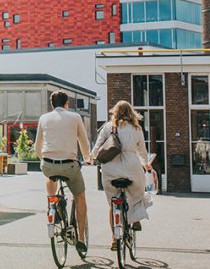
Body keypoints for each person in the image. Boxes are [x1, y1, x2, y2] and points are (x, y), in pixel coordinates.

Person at [34, 91, 92, 257]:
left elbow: (38, 147)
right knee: (80, 197)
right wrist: (88, 158)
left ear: (52, 104)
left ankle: (51, 204)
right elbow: (83, 141)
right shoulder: (75, 117)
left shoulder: (44, 118)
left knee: (49, 175)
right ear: (67, 104)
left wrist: (43, 160)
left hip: (48, 165)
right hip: (69, 166)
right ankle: (81, 238)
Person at [92, 100, 153, 251]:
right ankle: (136, 219)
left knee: (113, 203)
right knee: (138, 192)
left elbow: (97, 147)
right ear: (131, 113)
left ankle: (114, 237)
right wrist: (145, 164)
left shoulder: (108, 127)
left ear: (115, 112)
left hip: (110, 169)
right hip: (132, 167)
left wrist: (91, 157)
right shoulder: (136, 129)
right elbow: (142, 151)